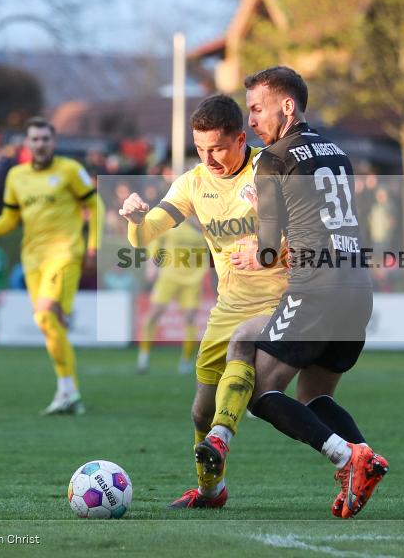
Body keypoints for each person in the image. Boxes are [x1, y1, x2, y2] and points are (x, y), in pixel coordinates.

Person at [230, 65, 388, 519]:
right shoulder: (337, 151)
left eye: (257, 109)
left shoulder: (273, 159)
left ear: (288, 106)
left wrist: (252, 252)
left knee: (261, 392)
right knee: (314, 398)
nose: (252, 121)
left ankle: (346, 458)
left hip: (317, 288)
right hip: (357, 287)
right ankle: (365, 459)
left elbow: (266, 246)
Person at [119, 95, 287, 509]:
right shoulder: (194, 182)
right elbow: (148, 233)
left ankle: (222, 436)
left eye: (216, 148)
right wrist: (136, 222)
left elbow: (307, 235)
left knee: (242, 356)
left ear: (240, 138)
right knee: (200, 410)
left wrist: (272, 250)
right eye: (199, 148)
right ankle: (211, 490)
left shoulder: (271, 168)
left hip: (281, 300)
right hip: (229, 305)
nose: (207, 158)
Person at [0, 117, 101, 416]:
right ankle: (70, 391)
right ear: (27, 144)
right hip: (32, 259)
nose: (40, 144)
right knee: (49, 325)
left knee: (43, 315)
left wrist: (93, 246)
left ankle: (66, 389)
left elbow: (95, 205)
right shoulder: (16, 175)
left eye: (45, 138)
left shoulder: (70, 170)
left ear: (54, 142)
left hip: (64, 253)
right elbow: (10, 217)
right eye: (35, 139)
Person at [136, 217, 208, 375]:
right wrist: (151, 266)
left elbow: (218, 247)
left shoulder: (207, 224)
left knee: (190, 317)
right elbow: (155, 241)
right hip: (168, 276)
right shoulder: (171, 221)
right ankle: (144, 356)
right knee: (155, 313)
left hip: (193, 279)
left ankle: (186, 361)